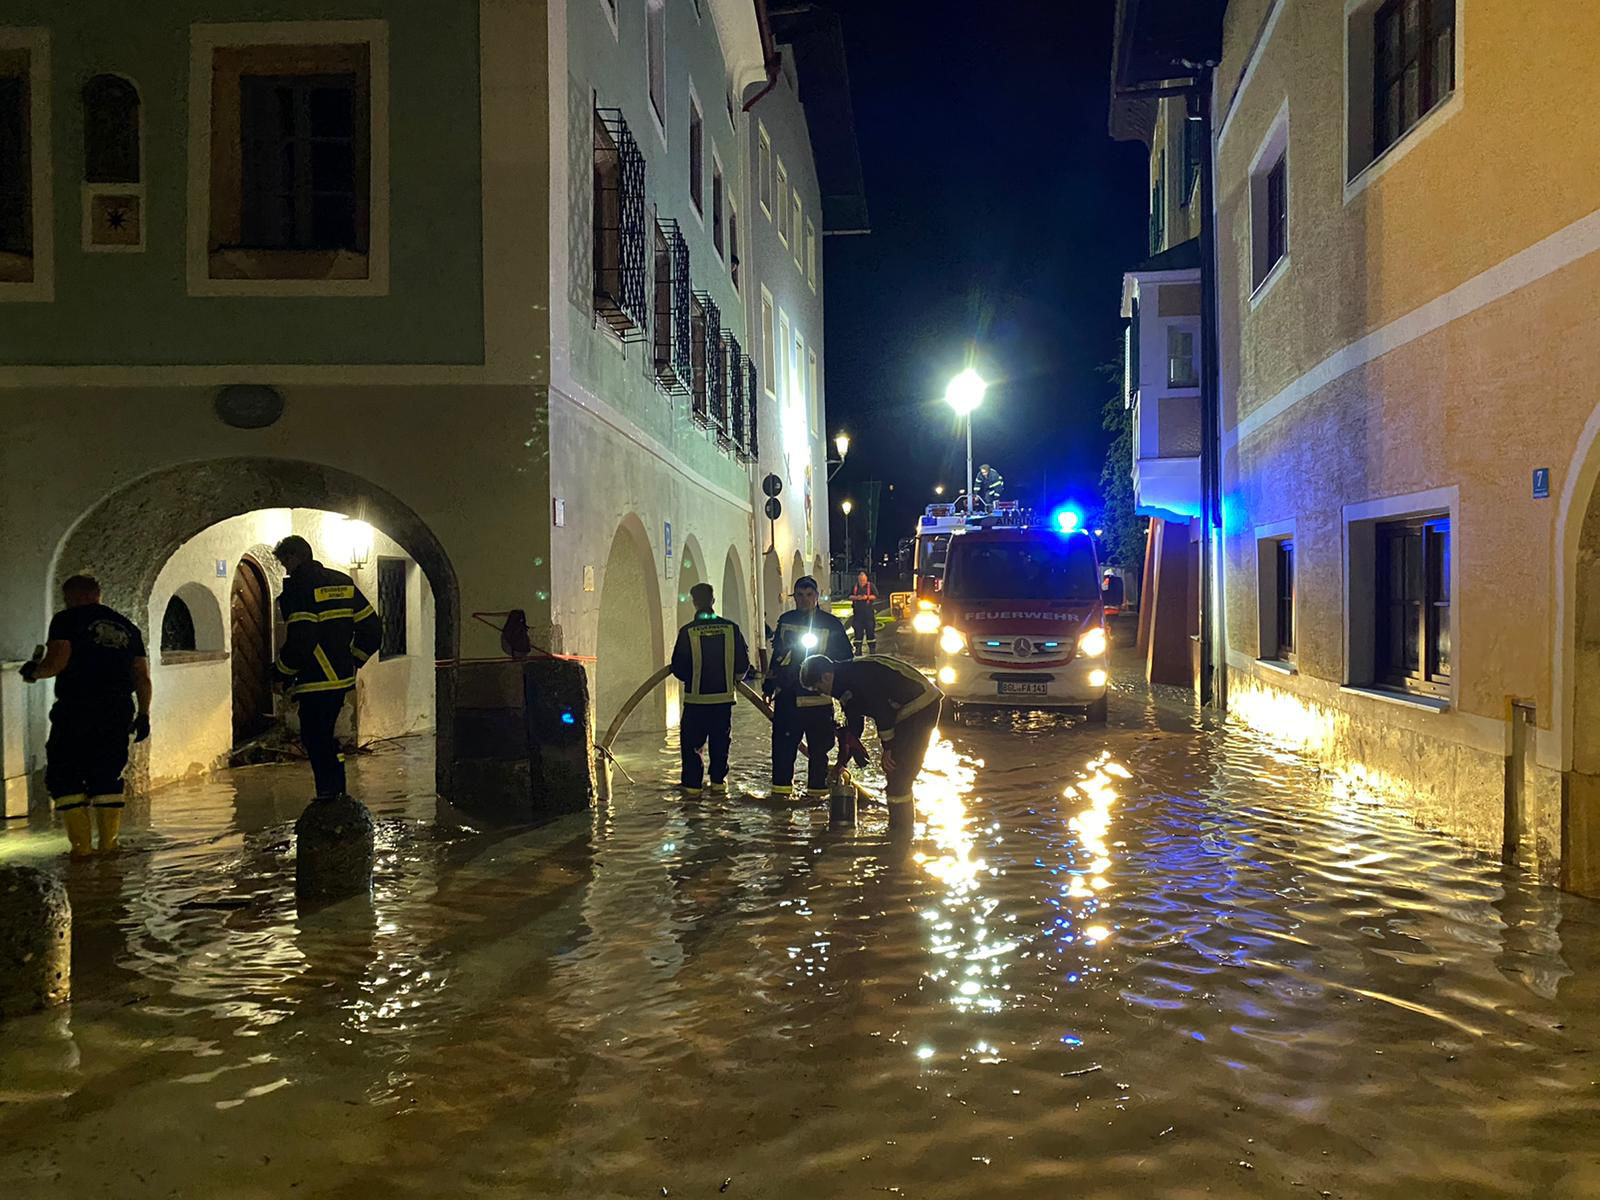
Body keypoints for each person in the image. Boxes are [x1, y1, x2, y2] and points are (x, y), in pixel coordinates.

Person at [21, 575, 151, 855]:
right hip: (118, 709)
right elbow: (141, 676)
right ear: (98, 595)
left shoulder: (66, 619)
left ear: (71, 596)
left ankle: (80, 850)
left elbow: (56, 662)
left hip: (78, 707)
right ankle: (109, 847)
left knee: (64, 772)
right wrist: (144, 714)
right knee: (107, 772)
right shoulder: (128, 627)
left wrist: (33, 672)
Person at [271, 536, 382, 801]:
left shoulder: (299, 587)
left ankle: (328, 798)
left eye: (285, 561)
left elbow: (302, 639)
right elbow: (372, 628)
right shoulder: (342, 582)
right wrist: (353, 659)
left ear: (296, 557)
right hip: (340, 679)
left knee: (315, 740)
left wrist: (280, 672)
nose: (285, 569)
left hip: (314, 679)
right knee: (325, 739)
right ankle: (337, 795)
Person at [800, 653, 944, 834]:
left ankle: (901, 833)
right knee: (895, 775)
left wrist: (888, 748)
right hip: (904, 709)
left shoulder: (856, 677)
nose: (821, 693)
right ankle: (898, 831)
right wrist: (842, 761)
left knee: (899, 774)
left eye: (818, 687)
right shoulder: (842, 682)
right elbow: (854, 722)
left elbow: (882, 711)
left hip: (920, 704)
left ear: (826, 676)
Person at [763, 576, 852, 799]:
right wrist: (769, 685)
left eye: (809, 595)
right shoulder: (786, 620)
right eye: (800, 595)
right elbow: (778, 656)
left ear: (817, 596)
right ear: (794, 597)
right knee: (782, 753)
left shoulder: (831, 624)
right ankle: (781, 805)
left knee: (819, 754)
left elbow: (845, 661)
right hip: (787, 699)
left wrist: (842, 694)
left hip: (818, 702)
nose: (804, 600)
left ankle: (817, 801)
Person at [670, 582, 750, 795]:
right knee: (720, 747)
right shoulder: (731, 629)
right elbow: (743, 665)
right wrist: (731, 680)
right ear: (713, 601)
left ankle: (692, 792)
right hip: (723, 701)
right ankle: (719, 789)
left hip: (696, 702)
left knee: (692, 749)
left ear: (694, 602)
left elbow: (678, 668)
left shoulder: (687, 632)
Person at [848, 570, 879, 654]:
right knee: (858, 632)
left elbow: (876, 596)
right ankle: (858, 649)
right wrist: (856, 598)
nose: (862, 578)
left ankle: (872, 650)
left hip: (868, 613)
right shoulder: (854, 586)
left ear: (866, 578)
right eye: (860, 576)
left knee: (870, 631)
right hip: (857, 614)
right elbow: (849, 596)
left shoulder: (871, 586)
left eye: (863, 576)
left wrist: (867, 597)